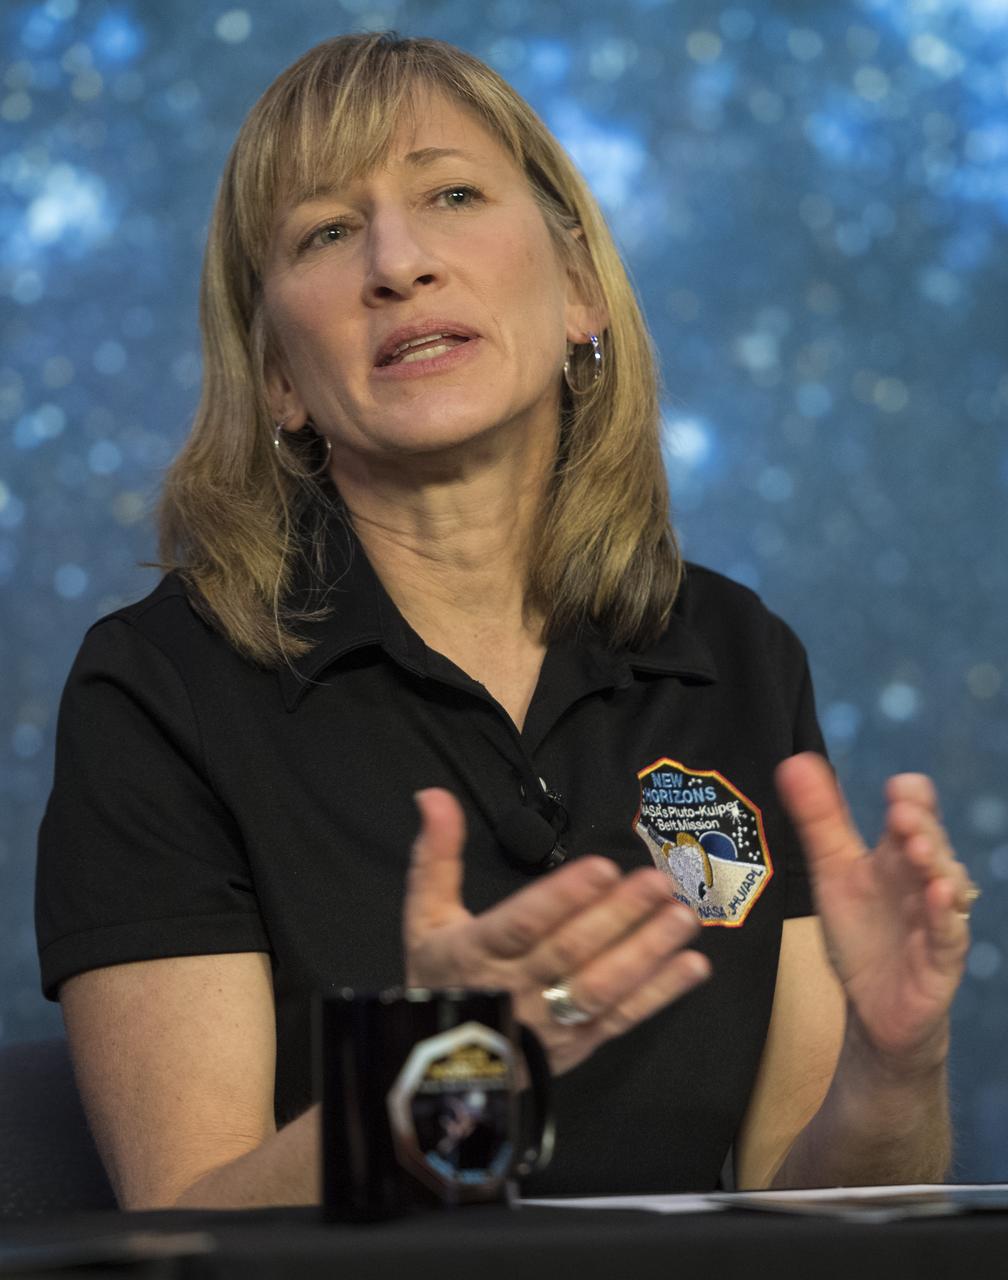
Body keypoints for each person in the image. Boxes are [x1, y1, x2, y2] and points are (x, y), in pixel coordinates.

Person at [35, 32, 974, 1211]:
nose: (398, 262)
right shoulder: (157, 685)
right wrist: (453, 1070)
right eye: (327, 231)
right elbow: (188, 1213)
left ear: (578, 289)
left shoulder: (737, 655)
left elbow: (814, 1211)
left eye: (453, 194)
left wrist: (894, 1072)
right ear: (279, 377)